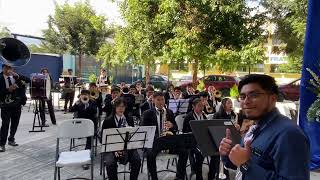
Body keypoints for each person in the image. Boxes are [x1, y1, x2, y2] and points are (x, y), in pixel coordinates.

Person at [219, 74, 310, 180]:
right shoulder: (253, 128)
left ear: (273, 98)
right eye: (243, 97)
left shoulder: (289, 134)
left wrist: (246, 164)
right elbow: (239, 165)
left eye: (254, 95)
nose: (246, 101)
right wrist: (227, 153)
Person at [141, 91, 188, 180]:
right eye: (158, 100)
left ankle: (179, 177)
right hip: (154, 141)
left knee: (184, 152)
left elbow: (176, 128)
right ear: (153, 101)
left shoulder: (169, 112)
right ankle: (154, 177)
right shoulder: (147, 113)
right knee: (150, 155)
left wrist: (172, 125)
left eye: (162, 100)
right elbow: (143, 130)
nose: (161, 102)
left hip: (168, 141)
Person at [101, 98, 141, 180]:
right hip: (111, 148)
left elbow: (133, 136)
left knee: (137, 159)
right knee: (110, 162)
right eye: (118, 106)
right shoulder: (108, 121)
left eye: (123, 106)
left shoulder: (129, 119)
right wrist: (115, 149)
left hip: (128, 147)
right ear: (114, 108)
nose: (121, 109)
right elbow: (103, 139)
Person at [0, 64, 30, 152]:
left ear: (12, 68)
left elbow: (29, 80)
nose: (8, 70)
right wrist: (8, 90)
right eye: (6, 68)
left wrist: (17, 75)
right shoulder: (0, 78)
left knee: (15, 123)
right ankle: (2, 144)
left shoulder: (16, 77)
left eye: (10, 68)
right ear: (3, 68)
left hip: (17, 104)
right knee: (5, 124)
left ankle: (11, 139)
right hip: (5, 105)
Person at [182, 98, 207, 180]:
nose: (201, 108)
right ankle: (199, 176)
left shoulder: (203, 115)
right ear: (193, 106)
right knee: (200, 153)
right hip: (191, 142)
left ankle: (197, 169)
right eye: (199, 106)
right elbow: (184, 132)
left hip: (201, 141)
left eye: (202, 106)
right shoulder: (188, 117)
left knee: (212, 151)